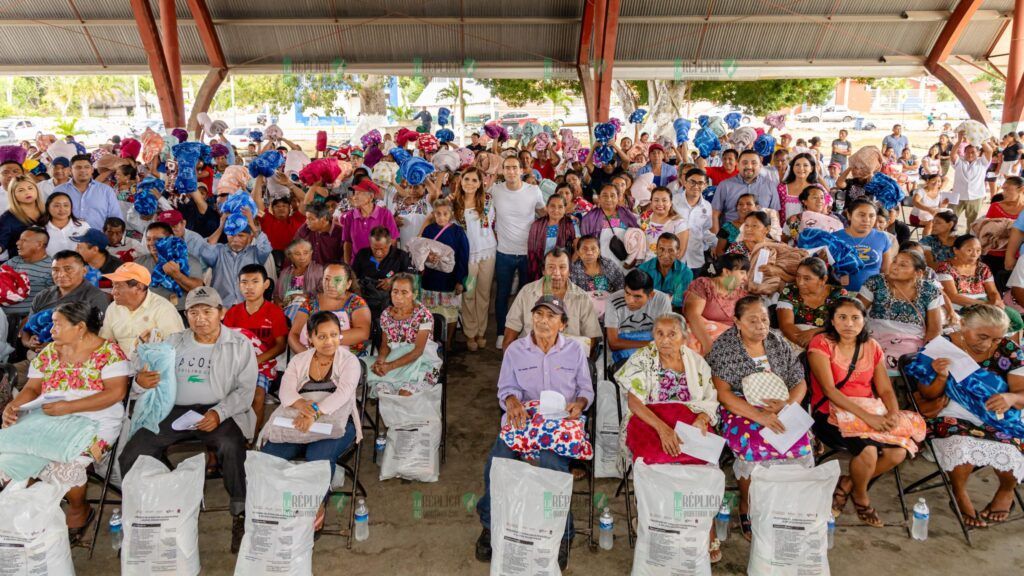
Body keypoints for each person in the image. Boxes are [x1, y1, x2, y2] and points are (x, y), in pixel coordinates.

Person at [118, 286, 257, 554]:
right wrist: (140, 381)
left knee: (231, 445)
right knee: (133, 453)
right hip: (173, 410)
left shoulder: (239, 345)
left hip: (218, 409)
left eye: (207, 311)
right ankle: (149, 513)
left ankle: (240, 513)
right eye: (193, 312)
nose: (200, 318)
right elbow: (141, 374)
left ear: (222, 313)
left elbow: (245, 391)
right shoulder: (172, 342)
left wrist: (218, 413)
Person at [475, 295, 593, 571]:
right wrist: (512, 401)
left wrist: (580, 404)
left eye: (551, 316)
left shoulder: (574, 351)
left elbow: (586, 391)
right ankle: (490, 524)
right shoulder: (515, 350)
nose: (543, 320)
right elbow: (505, 388)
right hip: (524, 418)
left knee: (552, 467)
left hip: (560, 421)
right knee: (497, 463)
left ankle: (562, 534)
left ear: (562, 324)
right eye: (539, 314)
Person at [1, 301, 129, 537]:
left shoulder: (109, 352)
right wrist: (15, 405)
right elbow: (32, 388)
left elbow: (115, 393)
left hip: (98, 419)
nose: (50, 331)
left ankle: (79, 509)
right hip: (50, 414)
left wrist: (69, 407)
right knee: (11, 451)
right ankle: (32, 508)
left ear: (80, 327)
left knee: (67, 464)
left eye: (57, 325)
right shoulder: (49, 352)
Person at [614, 312, 721, 562]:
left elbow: (709, 397)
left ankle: (706, 527)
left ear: (684, 337)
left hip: (688, 418)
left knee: (703, 460)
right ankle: (651, 518)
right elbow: (634, 403)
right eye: (659, 334)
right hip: (648, 418)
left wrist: (702, 418)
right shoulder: (643, 359)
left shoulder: (696, 362)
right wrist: (662, 429)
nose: (664, 340)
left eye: (672, 334)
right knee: (654, 458)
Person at [706, 296, 813, 540]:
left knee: (801, 443)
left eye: (764, 319)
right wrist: (759, 416)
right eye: (752, 320)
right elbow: (723, 394)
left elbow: (799, 381)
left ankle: (782, 505)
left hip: (781, 405)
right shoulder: (725, 348)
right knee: (754, 445)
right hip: (741, 408)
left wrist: (787, 406)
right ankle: (748, 506)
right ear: (737, 322)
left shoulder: (777, 341)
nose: (760, 325)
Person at [908, 304, 1024, 528]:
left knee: (1011, 447)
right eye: (982, 336)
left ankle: (1006, 490)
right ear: (962, 325)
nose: (987, 344)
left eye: (996, 339)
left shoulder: (1008, 349)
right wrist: (941, 376)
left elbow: (1021, 394)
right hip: (950, 411)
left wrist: (1010, 398)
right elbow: (927, 394)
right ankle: (959, 493)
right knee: (961, 446)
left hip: (998, 414)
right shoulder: (940, 347)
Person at [808, 298, 911, 528]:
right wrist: (869, 418)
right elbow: (829, 390)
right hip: (829, 413)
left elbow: (884, 388)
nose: (849, 324)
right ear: (832, 321)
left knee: (898, 454)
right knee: (869, 452)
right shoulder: (821, 343)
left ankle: (847, 484)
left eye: (855, 318)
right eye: (842, 317)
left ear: (864, 321)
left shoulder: (872, 347)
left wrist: (892, 413)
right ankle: (861, 497)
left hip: (868, 409)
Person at [260, 311, 362, 535]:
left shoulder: (349, 361)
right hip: (299, 420)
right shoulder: (299, 360)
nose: (329, 342)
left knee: (317, 460)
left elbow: (343, 394)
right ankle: (273, 510)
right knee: (268, 458)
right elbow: (286, 390)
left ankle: (315, 510)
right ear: (310, 337)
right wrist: (300, 405)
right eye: (322, 336)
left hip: (335, 424)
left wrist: (313, 413)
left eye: (334, 335)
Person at [224, 264, 289, 433]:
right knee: (220, 396)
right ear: (238, 285)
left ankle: (250, 438)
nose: (249, 287)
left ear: (266, 284)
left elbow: (281, 345)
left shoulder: (274, 312)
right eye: (244, 282)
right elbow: (226, 344)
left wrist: (256, 360)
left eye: (255, 281)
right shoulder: (232, 313)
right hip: (234, 365)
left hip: (263, 366)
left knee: (257, 396)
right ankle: (227, 434)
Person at [491, 156, 546, 349]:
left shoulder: (533, 191)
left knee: (527, 295)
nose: (511, 171)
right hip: (504, 252)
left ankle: (524, 332)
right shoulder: (495, 190)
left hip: (528, 253)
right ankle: (500, 332)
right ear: (502, 170)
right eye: (507, 168)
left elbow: (543, 213)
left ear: (522, 170)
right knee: (502, 294)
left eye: (515, 168)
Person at [858, 249, 943, 372]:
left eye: (902, 265)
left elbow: (934, 329)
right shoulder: (875, 282)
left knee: (899, 360)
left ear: (918, 273)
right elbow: (856, 311)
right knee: (868, 357)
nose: (894, 267)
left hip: (911, 340)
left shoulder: (930, 291)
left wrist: (926, 353)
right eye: (894, 262)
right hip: (874, 336)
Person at [504, 248, 602, 352]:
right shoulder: (527, 292)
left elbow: (591, 339)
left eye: (562, 267)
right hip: (530, 358)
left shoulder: (582, 298)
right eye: (551, 267)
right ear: (543, 271)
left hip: (567, 360)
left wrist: (574, 363)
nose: (556, 273)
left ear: (569, 271)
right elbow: (509, 336)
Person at [367, 273, 441, 396]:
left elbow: (418, 352)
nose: (398, 297)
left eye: (404, 292)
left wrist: (389, 367)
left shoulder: (423, 315)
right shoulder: (386, 314)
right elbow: (385, 345)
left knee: (405, 394)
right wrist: (380, 361)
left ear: (414, 294)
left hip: (422, 363)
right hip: (394, 360)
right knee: (384, 393)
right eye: (395, 292)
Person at [450, 167, 496, 351]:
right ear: (461, 181)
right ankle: (470, 333)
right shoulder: (454, 203)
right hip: (468, 257)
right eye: (466, 179)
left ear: (480, 183)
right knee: (469, 294)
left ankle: (481, 332)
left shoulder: (487, 201)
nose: (470, 183)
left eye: (474, 180)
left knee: (484, 294)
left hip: (488, 253)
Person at [936, 234, 1023, 331]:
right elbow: (953, 296)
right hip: (959, 305)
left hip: (984, 303)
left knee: (1014, 320)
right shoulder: (946, 267)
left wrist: (997, 302)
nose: (974, 254)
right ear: (956, 250)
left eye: (978, 250)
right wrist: (983, 304)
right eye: (969, 250)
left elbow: (993, 292)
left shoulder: (982, 267)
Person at [99, 262, 184, 358]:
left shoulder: (163, 309)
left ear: (139, 288)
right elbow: (105, 344)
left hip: (153, 367)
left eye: (118, 286)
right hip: (120, 368)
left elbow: (176, 349)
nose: (113, 292)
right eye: (113, 285)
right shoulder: (113, 309)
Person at [192, 209, 272, 309]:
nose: (236, 239)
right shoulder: (219, 251)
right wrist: (221, 226)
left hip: (249, 307)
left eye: (241, 235)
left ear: (250, 237)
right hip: (222, 307)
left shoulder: (255, 252)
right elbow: (205, 250)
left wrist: (251, 224)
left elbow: (266, 247)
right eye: (232, 235)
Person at [288, 263, 370, 355]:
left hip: (348, 359)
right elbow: (293, 335)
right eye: (327, 279)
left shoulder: (356, 303)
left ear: (348, 284)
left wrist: (323, 340)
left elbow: (363, 333)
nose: (330, 284)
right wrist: (308, 356)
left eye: (338, 280)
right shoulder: (310, 303)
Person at [419, 198, 469, 348]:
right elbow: (420, 251)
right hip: (430, 279)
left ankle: (448, 344)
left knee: (450, 312)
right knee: (429, 312)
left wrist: (460, 280)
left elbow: (463, 256)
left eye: (445, 213)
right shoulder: (428, 230)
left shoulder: (458, 232)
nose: (441, 217)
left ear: (451, 214)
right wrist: (427, 257)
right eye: (438, 214)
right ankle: (431, 343)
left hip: (450, 279)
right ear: (433, 214)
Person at [684, 253, 750, 354]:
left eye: (746, 273)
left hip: (727, 342)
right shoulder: (704, 285)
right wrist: (709, 346)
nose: (745, 278)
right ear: (726, 272)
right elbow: (693, 315)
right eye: (742, 272)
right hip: (701, 338)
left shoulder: (741, 295)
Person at [605, 268, 673, 365]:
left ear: (651, 295)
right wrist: (650, 345)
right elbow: (613, 343)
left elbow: (665, 335)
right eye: (627, 293)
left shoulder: (662, 300)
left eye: (637, 296)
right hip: (627, 353)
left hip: (651, 348)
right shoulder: (613, 300)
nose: (630, 301)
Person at [776, 257, 848, 348]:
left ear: (823, 280)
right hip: (797, 341)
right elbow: (786, 325)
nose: (800, 283)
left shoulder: (838, 294)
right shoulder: (790, 292)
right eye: (798, 276)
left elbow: (845, 324)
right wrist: (808, 345)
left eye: (807, 278)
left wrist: (816, 333)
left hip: (830, 344)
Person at [133, 221, 204, 310]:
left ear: (171, 238)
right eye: (148, 239)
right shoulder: (139, 263)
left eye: (157, 239)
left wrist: (176, 275)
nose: (151, 243)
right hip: (149, 314)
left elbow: (198, 290)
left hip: (181, 312)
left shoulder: (189, 261)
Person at [352, 226, 415, 319]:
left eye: (382, 248)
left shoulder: (401, 256)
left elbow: (411, 277)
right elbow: (353, 276)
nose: (378, 253)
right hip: (365, 302)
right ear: (370, 244)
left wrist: (393, 280)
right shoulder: (362, 254)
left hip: (392, 304)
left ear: (390, 243)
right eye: (375, 248)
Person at [712, 150, 781, 234]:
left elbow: (775, 214)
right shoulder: (725, 185)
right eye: (744, 163)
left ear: (760, 165)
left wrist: (773, 238)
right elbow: (714, 214)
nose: (749, 166)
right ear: (737, 165)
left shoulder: (770, 186)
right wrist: (716, 241)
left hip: (760, 239)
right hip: (730, 237)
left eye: (754, 163)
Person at [834, 198, 892, 291]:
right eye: (861, 215)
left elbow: (886, 271)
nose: (867, 220)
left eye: (872, 216)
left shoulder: (882, 238)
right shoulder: (835, 238)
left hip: (872, 295)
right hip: (840, 294)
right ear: (849, 215)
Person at [53, 154, 122, 230]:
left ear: (92, 169)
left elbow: (116, 217)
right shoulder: (59, 191)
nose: (83, 170)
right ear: (70, 170)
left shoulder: (106, 191)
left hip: (98, 239)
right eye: (78, 167)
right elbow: (52, 216)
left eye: (87, 167)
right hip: (67, 238)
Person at [580, 184, 640, 267]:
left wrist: (633, 259)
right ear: (599, 198)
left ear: (618, 198)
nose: (609, 199)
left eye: (612, 196)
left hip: (625, 263)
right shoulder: (589, 218)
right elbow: (585, 243)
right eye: (604, 196)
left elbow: (638, 236)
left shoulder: (627, 214)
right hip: (601, 265)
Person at [341, 179, 399, 265]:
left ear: (371, 197)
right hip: (357, 265)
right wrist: (348, 266)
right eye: (354, 194)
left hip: (380, 265)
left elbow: (393, 241)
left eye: (358, 194)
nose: (354, 197)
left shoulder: (385, 214)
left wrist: (389, 265)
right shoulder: (350, 216)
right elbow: (347, 243)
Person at [4, 227, 52, 324]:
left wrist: (31, 319)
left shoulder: (53, 268)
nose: (17, 243)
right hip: (3, 316)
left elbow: (54, 303)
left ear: (39, 245)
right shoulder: (15, 261)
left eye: (24, 240)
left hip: (26, 321)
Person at [672, 168, 715, 274]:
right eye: (692, 182)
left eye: (700, 183)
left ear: (705, 185)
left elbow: (704, 230)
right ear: (685, 182)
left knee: (693, 289)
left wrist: (716, 244)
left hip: (696, 259)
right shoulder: (673, 201)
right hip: (674, 258)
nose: (696, 186)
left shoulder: (707, 206)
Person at [527, 194, 576, 282]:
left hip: (562, 269)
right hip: (542, 267)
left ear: (565, 209)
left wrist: (568, 266)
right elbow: (531, 251)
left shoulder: (571, 224)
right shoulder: (537, 225)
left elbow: (577, 248)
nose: (556, 210)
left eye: (560, 207)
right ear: (547, 207)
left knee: (559, 293)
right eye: (552, 206)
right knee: (546, 292)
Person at [638, 233, 693, 310]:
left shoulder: (685, 273)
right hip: (646, 310)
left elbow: (677, 302)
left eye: (671, 250)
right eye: (661, 249)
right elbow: (639, 296)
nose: (665, 255)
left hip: (672, 313)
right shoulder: (643, 269)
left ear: (678, 252)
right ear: (656, 250)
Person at [950, 133, 994, 230]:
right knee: (950, 219)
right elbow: (952, 154)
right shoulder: (959, 161)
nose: (970, 154)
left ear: (978, 153)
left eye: (973, 152)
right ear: (964, 153)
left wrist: (979, 138)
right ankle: (949, 237)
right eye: (968, 152)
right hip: (958, 196)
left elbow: (989, 150)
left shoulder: (982, 162)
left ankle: (968, 240)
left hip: (976, 197)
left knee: (972, 222)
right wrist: (959, 141)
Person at [274, 237, 323, 320]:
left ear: (311, 253)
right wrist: (278, 302)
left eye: (306, 253)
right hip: (286, 309)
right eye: (297, 254)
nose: (302, 257)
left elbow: (324, 294)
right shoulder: (285, 272)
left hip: (309, 311)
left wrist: (301, 297)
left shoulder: (319, 270)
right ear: (290, 255)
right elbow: (276, 295)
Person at [0, 175, 45, 260]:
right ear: (13, 195)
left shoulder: (48, 210)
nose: (27, 192)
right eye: (21, 190)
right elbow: (1, 243)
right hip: (21, 267)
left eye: (30, 188)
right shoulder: (7, 218)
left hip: (49, 264)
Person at [778, 153, 827, 223]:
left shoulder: (818, 188)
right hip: (786, 232)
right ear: (792, 168)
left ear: (811, 168)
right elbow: (776, 211)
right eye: (797, 165)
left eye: (805, 165)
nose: (801, 168)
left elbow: (825, 210)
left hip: (811, 232)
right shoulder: (782, 188)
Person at [639, 186, 688, 257]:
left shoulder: (679, 223)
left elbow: (679, 253)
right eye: (656, 200)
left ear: (670, 203)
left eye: (664, 200)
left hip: (665, 265)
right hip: (643, 265)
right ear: (651, 202)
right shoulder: (644, 217)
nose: (660, 204)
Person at [258, 195, 306, 267]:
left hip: (295, 262)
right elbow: (257, 201)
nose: (281, 208)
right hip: (271, 262)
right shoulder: (267, 219)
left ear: (290, 209)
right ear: (272, 210)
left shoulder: (297, 219)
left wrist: (290, 184)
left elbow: (304, 198)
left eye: (284, 206)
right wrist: (258, 183)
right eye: (277, 206)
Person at [295, 201, 344, 266]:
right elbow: (294, 246)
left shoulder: (341, 233)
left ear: (324, 219)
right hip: (309, 272)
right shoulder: (306, 228)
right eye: (306, 218)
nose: (307, 222)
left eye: (311, 219)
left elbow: (343, 261)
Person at [42, 191, 90, 257]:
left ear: (71, 207)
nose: (62, 209)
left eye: (66, 205)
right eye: (57, 206)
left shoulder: (83, 226)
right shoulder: (40, 229)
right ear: (48, 207)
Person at [712, 193, 758, 258]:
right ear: (737, 207)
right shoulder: (727, 227)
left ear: (757, 207)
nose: (744, 207)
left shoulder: (762, 226)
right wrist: (733, 265)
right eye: (740, 204)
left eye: (749, 204)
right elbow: (719, 251)